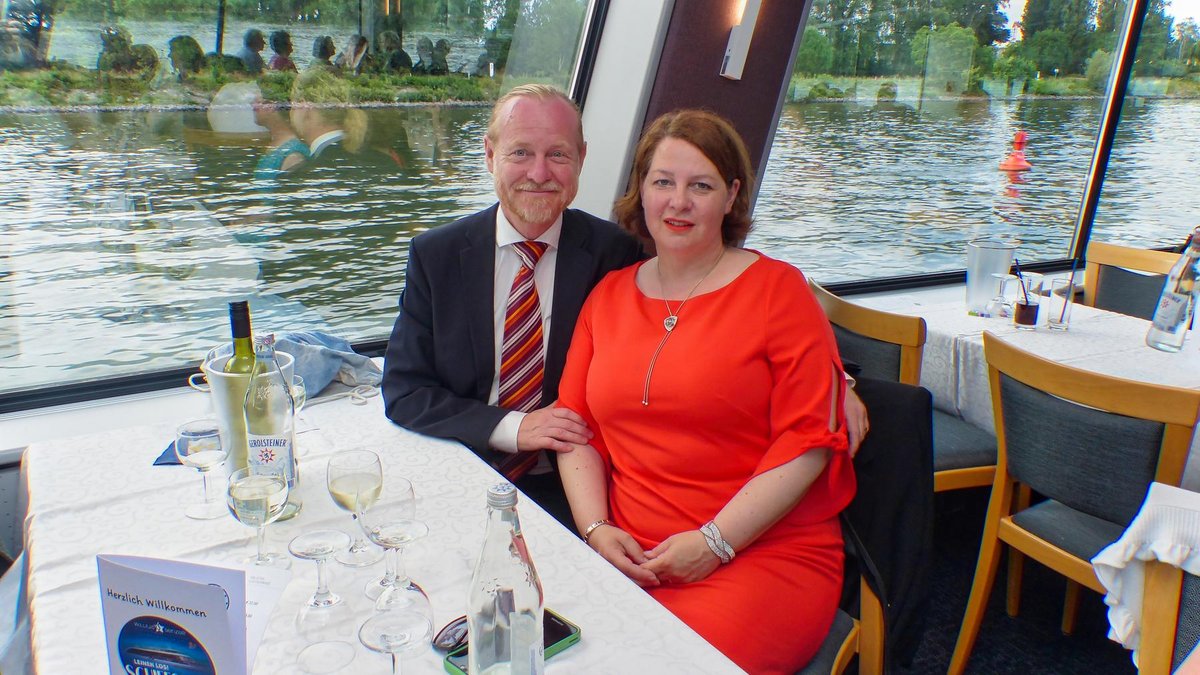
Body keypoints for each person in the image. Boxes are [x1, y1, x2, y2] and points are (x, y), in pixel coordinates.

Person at [554, 109, 856, 673]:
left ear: (731, 195)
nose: (678, 202)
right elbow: (574, 429)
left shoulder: (778, 291)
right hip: (628, 550)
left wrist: (716, 542)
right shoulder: (607, 296)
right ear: (642, 190)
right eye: (663, 182)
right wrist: (596, 531)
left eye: (701, 186)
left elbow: (809, 442)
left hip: (759, 552)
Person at [381, 85, 643, 526]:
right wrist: (514, 427)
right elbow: (405, 391)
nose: (539, 173)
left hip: (574, 487)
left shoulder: (615, 255)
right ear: (490, 155)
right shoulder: (436, 256)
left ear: (581, 158)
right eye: (521, 152)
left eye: (557, 154)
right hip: (463, 468)